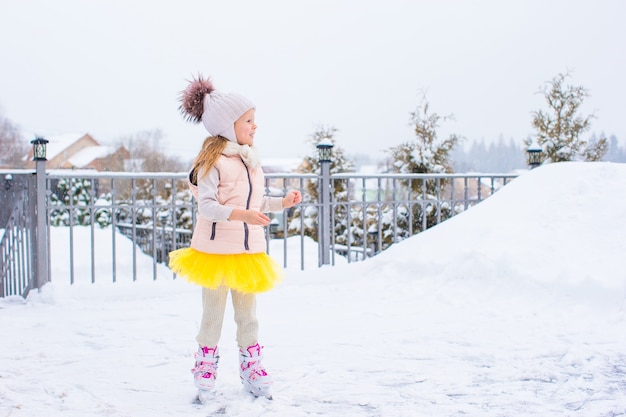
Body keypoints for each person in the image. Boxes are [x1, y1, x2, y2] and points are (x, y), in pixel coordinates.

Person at [168, 75, 301, 399]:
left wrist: (281, 203)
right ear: (229, 125)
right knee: (213, 316)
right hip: (214, 253)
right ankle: (205, 368)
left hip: (246, 252)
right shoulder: (212, 163)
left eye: (255, 120)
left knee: (248, 317)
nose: (255, 126)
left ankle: (252, 368)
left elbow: (254, 204)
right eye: (249, 120)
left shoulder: (251, 161)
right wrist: (243, 215)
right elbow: (209, 207)